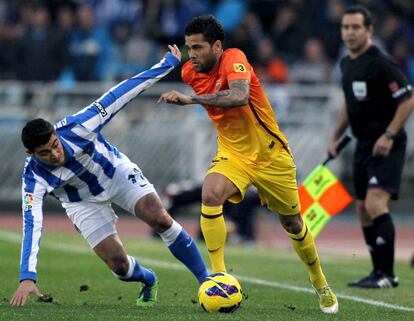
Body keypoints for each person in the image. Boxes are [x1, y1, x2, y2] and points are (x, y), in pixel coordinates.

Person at [159, 15, 338, 314]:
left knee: (292, 223)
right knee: (210, 193)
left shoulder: (234, 58)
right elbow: (181, 71)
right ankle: (218, 275)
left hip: (271, 155)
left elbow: (240, 96)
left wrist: (191, 101)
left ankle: (319, 281)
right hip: (233, 153)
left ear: (217, 46)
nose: (193, 55)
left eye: (199, 48)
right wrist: (166, 65)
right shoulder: (190, 71)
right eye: (189, 48)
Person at [10, 45, 208, 307]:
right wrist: (27, 276)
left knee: (160, 218)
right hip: (81, 202)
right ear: (31, 152)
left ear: (56, 136)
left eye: (54, 146)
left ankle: (207, 281)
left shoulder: (80, 126)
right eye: (44, 153)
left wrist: (166, 64)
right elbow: (32, 223)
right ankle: (148, 278)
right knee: (118, 265)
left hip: (115, 174)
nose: (54, 155)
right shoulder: (33, 178)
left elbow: (120, 94)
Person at [328, 5, 414, 288]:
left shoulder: (381, 62)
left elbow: (408, 99)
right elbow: (348, 103)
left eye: (355, 28)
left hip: (387, 144)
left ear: (369, 31)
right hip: (363, 144)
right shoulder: (346, 64)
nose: (350, 33)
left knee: (376, 202)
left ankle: (388, 274)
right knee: (363, 208)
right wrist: (335, 137)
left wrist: (389, 135)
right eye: (345, 27)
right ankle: (377, 271)